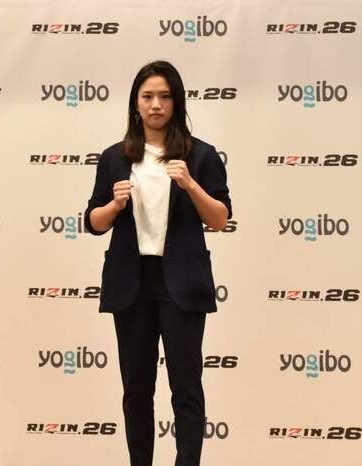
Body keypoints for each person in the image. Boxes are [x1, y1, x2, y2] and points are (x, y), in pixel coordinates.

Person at [84, 60, 231, 466]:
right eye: (147, 96)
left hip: (182, 282)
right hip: (132, 283)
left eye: (165, 96)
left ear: (177, 102)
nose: (155, 105)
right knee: (136, 390)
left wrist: (190, 185)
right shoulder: (115, 158)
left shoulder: (201, 155)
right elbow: (94, 222)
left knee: (186, 388)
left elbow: (220, 218)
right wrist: (114, 205)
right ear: (135, 103)